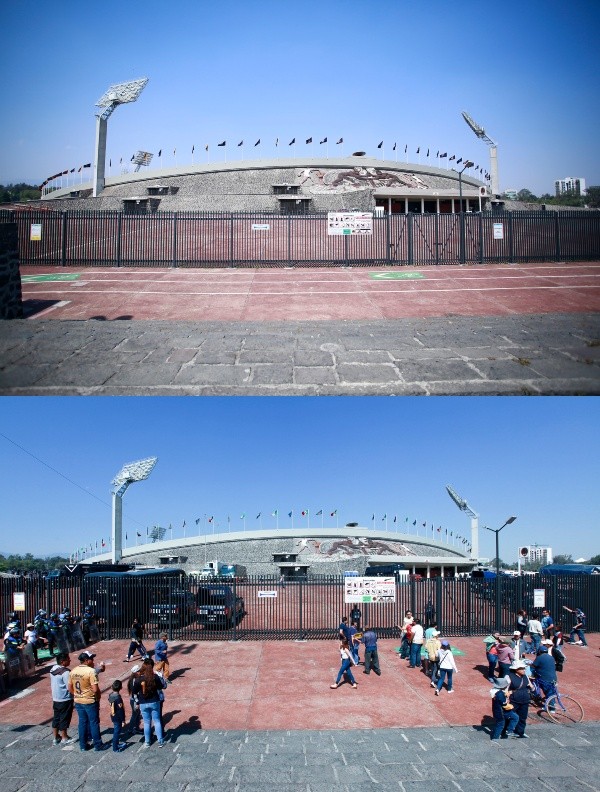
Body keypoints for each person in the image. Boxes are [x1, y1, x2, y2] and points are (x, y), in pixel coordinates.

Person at [68, 651, 106, 751]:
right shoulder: (90, 671)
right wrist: (98, 697)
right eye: (91, 659)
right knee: (94, 722)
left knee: (82, 722)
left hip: (78, 700)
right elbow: (95, 689)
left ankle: (83, 745)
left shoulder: (73, 671)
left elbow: (70, 688)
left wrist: (76, 695)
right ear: (86, 661)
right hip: (90, 700)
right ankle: (98, 744)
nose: (93, 661)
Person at [132, 657, 166, 746]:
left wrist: (137, 700)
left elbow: (134, 691)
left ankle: (147, 742)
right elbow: (161, 686)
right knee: (157, 721)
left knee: (146, 723)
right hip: (154, 701)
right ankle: (160, 741)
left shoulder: (139, 679)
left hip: (143, 702)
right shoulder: (154, 677)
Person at [49, 652, 76, 746]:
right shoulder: (66, 672)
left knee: (56, 718)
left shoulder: (53, 669)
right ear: (62, 661)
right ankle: (64, 737)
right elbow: (69, 687)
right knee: (65, 718)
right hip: (65, 699)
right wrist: (76, 695)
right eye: (68, 659)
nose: (69, 660)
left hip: (56, 698)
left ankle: (56, 737)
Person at [504, 659, 533, 738]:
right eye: (522, 668)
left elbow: (531, 686)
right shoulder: (509, 676)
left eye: (524, 668)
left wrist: (532, 688)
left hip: (525, 700)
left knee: (523, 717)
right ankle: (506, 730)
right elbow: (506, 689)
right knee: (510, 716)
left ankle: (520, 732)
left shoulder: (525, 676)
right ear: (516, 669)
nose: (524, 670)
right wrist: (506, 699)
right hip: (514, 700)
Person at [531, 639, 558, 705]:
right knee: (552, 691)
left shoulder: (539, 657)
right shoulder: (551, 657)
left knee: (548, 692)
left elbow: (534, 666)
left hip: (544, 678)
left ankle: (551, 707)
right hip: (554, 678)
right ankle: (552, 703)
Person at [108, 680, 127, 752]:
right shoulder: (118, 698)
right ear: (120, 688)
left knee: (117, 730)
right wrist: (123, 720)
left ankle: (117, 744)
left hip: (112, 715)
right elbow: (121, 710)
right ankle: (115, 747)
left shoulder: (110, 695)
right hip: (117, 717)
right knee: (117, 732)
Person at [126, 664, 143, 734]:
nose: (140, 672)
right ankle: (130, 729)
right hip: (135, 700)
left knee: (137, 714)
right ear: (136, 672)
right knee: (134, 715)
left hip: (134, 700)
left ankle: (136, 728)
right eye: (139, 671)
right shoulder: (134, 681)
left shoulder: (134, 679)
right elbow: (134, 693)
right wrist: (137, 702)